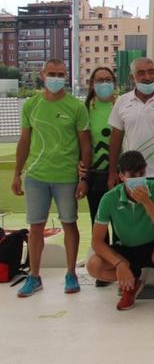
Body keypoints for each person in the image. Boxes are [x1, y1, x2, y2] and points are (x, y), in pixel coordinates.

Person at [12, 59, 91, 297]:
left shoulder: (76, 107)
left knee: (69, 224)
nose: (57, 78)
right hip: (36, 176)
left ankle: (71, 273)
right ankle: (34, 276)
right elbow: (24, 141)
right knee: (35, 227)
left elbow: (85, 144)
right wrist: (17, 173)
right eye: (53, 73)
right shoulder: (31, 105)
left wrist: (83, 177)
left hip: (66, 176)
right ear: (43, 74)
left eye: (61, 74)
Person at [86, 151, 154, 318]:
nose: (138, 179)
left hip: (153, 248)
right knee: (94, 265)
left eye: (142, 174)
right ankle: (131, 285)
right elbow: (97, 241)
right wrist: (119, 264)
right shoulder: (109, 198)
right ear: (122, 176)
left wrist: (146, 202)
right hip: (126, 251)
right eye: (133, 175)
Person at [107, 57, 154, 232]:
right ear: (131, 77)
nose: (147, 76)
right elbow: (115, 138)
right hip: (131, 176)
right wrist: (113, 171)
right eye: (141, 73)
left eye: (151, 71)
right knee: (132, 228)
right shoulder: (122, 101)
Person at [83, 67, 118, 287]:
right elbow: (81, 142)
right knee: (99, 221)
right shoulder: (85, 109)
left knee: (122, 223)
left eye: (108, 79)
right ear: (92, 83)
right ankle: (105, 268)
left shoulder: (122, 104)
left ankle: (123, 265)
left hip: (120, 173)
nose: (104, 83)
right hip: (95, 174)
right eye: (99, 80)